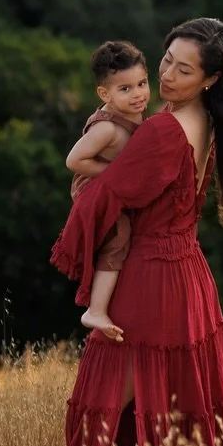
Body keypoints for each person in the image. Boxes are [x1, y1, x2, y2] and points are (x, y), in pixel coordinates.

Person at [50, 17, 223, 446]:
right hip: (187, 277)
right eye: (165, 62)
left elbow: (110, 193)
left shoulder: (161, 130)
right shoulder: (206, 121)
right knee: (178, 409)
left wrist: (78, 239)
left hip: (149, 281)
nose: (167, 76)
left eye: (184, 70)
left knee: (105, 412)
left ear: (211, 78)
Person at [65, 40, 151, 343]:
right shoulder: (108, 128)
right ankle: (96, 310)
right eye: (125, 89)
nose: (138, 93)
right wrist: (116, 175)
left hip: (111, 190)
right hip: (95, 194)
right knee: (118, 239)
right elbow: (74, 160)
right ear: (105, 94)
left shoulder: (132, 113)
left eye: (142, 83)